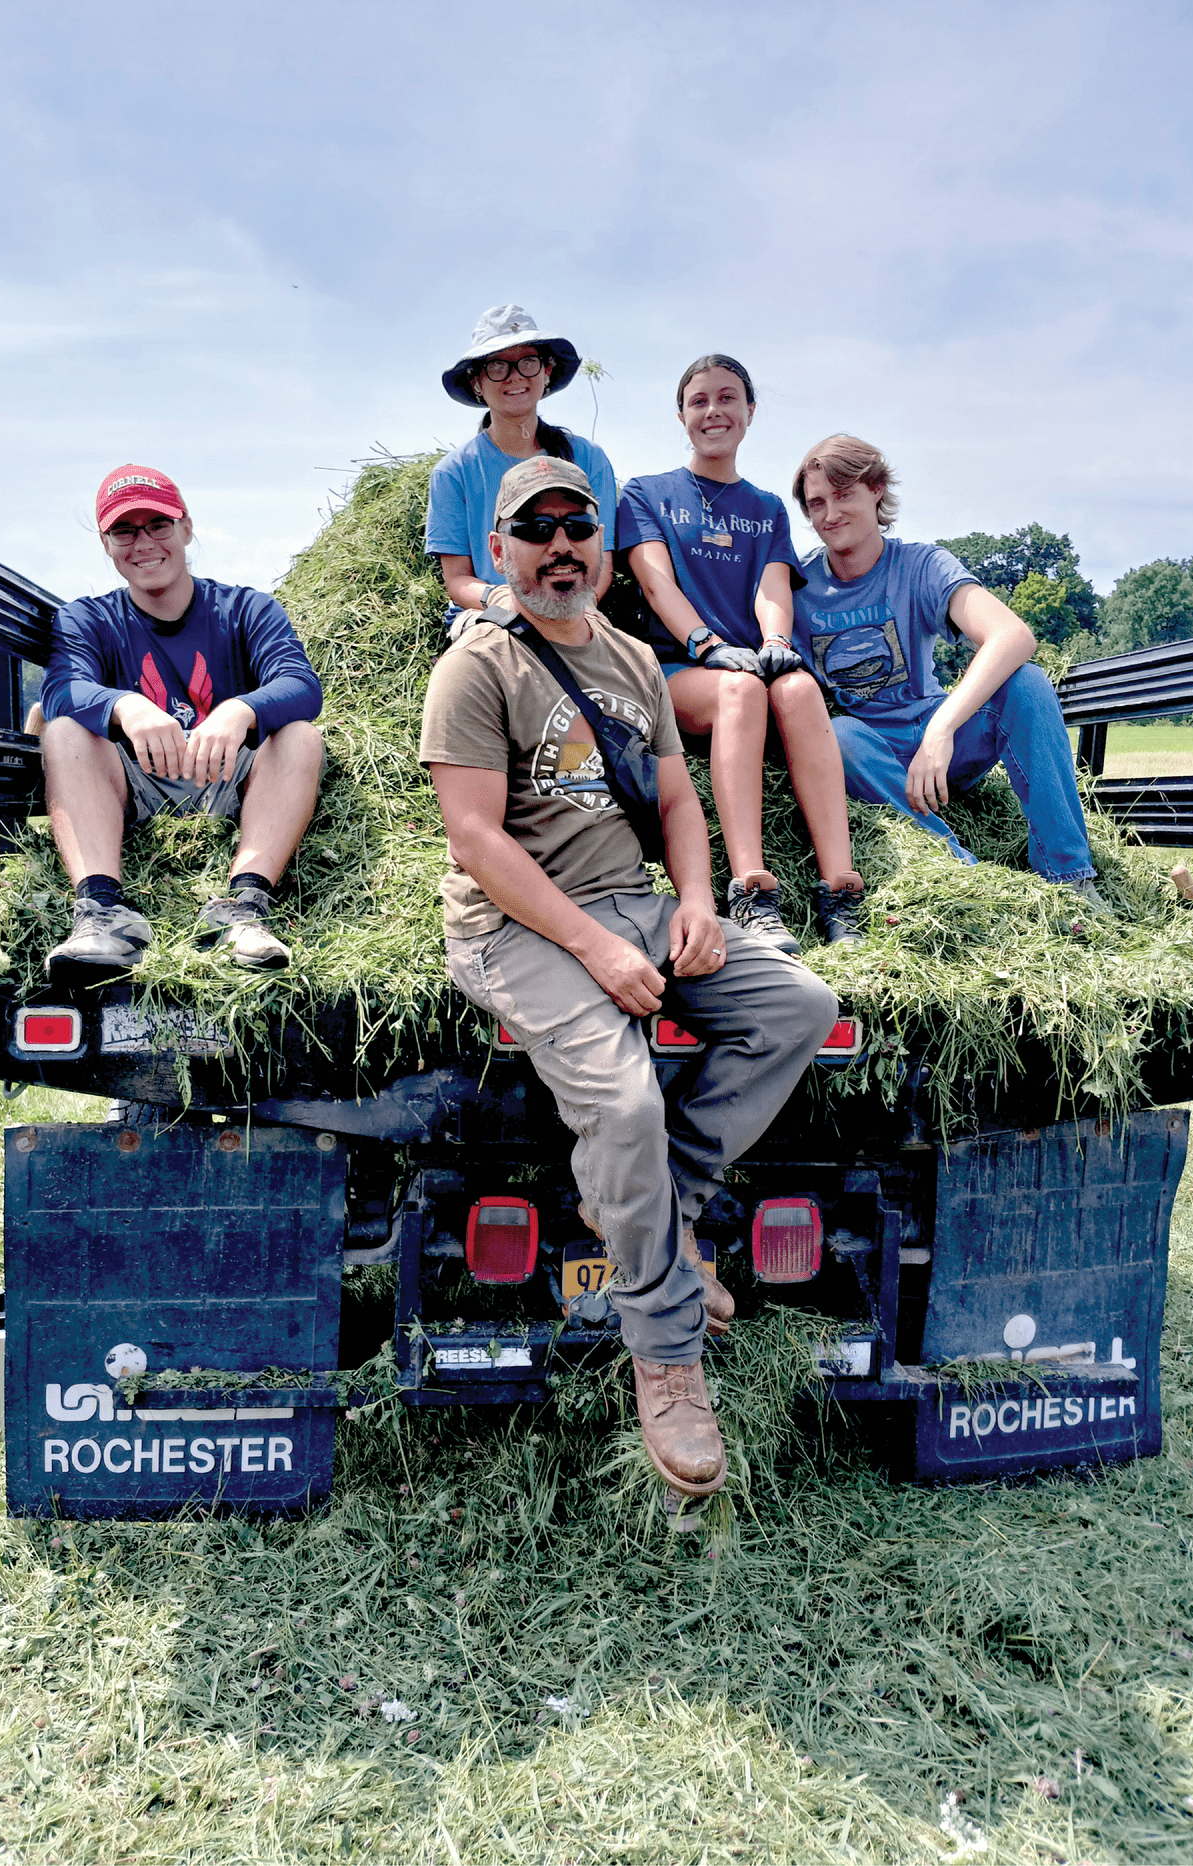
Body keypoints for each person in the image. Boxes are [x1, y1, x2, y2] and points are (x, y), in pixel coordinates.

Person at [419, 454, 838, 1502]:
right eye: (536, 530)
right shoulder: (476, 666)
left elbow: (677, 804)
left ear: (598, 546)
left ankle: (662, 1205)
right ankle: (666, 1349)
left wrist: (693, 904)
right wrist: (598, 949)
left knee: (796, 1005)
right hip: (513, 925)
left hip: (634, 905)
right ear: (501, 551)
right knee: (619, 1097)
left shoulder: (630, 660)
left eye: (577, 528)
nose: (559, 547)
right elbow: (474, 838)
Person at [37, 463, 326, 979]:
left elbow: (302, 686)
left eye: (158, 525)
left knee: (301, 738)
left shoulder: (246, 608)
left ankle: (244, 908)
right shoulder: (86, 619)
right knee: (62, 731)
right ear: (106, 544)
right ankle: (101, 913)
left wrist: (240, 710)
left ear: (186, 529)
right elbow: (61, 688)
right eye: (124, 530)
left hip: (228, 777)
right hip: (132, 784)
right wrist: (124, 705)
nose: (143, 542)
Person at [789, 435, 1106, 903]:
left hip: (942, 745)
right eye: (817, 503)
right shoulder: (797, 583)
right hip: (871, 757)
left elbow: (1012, 635)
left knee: (1028, 682)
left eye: (843, 494)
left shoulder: (921, 564)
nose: (830, 514)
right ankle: (968, 874)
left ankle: (1070, 877)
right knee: (839, 736)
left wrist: (940, 730)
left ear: (876, 488)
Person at [616, 355, 865, 951]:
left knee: (801, 688)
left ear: (750, 411)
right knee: (741, 687)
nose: (714, 411)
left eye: (728, 398)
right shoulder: (646, 493)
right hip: (679, 672)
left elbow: (771, 588)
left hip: (751, 667)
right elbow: (656, 584)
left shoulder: (767, 508)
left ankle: (839, 890)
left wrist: (775, 640)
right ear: (681, 415)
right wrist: (708, 644)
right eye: (699, 401)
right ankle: (752, 889)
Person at [426, 304, 617, 632]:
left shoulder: (589, 459)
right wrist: (507, 602)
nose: (514, 376)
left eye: (528, 362)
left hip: (571, 602)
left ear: (547, 371)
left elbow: (602, 566)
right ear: (476, 382)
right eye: (497, 366)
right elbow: (457, 580)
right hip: (486, 612)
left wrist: (570, 610)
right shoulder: (453, 473)